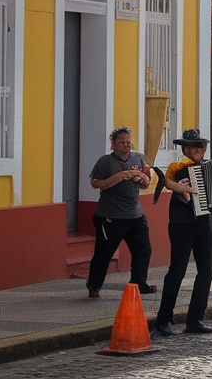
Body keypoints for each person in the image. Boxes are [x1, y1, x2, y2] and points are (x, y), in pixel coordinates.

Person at [154, 129, 212, 337]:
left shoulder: (209, 167)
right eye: (192, 147)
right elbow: (168, 183)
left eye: (200, 147)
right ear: (185, 149)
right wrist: (179, 187)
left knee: (206, 270)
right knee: (177, 270)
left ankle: (195, 319)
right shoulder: (178, 168)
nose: (196, 150)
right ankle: (164, 320)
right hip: (181, 224)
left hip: (204, 224)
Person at [86, 126, 155, 299]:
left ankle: (139, 284)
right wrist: (121, 176)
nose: (126, 145)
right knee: (104, 253)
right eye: (122, 142)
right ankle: (94, 286)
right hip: (111, 216)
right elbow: (96, 183)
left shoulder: (138, 158)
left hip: (136, 215)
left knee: (143, 250)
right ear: (113, 144)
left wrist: (141, 178)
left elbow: (147, 182)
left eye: (128, 142)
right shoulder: (105, 161)